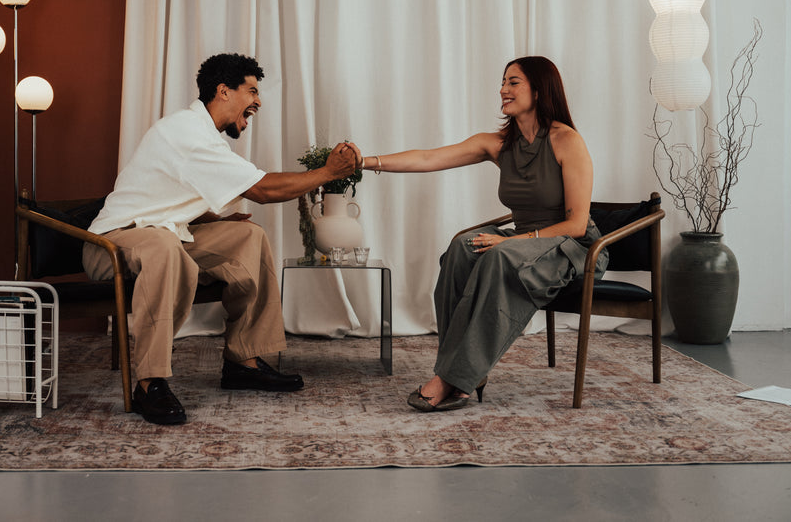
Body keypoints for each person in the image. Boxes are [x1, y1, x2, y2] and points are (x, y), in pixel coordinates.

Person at [84, 53, 361, 425]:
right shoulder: (185, 132)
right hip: (109, 245)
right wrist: (327, 172)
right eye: (252, 91)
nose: (258, 101)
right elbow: (262, 190)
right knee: (166, 249)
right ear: (223, 91)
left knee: (246, 236)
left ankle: (244, 362)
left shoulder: (203, 137)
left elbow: (165, 197)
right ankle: (149, 382)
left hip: (162, 233)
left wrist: (215, 220)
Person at [360, 56, 607, 412]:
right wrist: (365, 162)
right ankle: (461, 372)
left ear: (539, 90)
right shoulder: (499, 143)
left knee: (500, 255)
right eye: (503, 82)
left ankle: (451, 378)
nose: (503, 89)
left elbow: (576, 225)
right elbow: (429, 158)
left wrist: (509, 241)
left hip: (571, 249)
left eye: (513, 82)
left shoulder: (567, 140)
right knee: (463, 247)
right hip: (524, 244)